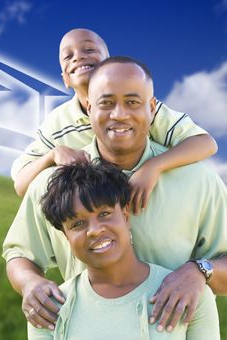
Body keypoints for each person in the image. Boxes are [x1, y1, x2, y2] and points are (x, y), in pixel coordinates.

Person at [3, 56, 227, 334]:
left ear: (152, 107)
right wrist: (29, 283)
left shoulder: (199, 181)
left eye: (132, 102)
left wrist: (200, 271)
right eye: (106, 103)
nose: (119, 114)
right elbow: (19, 253)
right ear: (88, 107)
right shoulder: (52, 183)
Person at [11, 29, 217, 217]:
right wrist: (52, 155)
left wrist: (153, 167)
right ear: (65, 78)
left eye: (89, 49)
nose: (79, 56)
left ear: (108, 64)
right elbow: (22, 185)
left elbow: (205, 143)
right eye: (68, 55)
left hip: (154, 207)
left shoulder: (140, 109)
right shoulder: (57, 123)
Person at [27, 162, 220, 340]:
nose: (94, 230)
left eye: (104, 213)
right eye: (77, 224)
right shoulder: (47, 307)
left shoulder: (190, 294)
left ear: (126, 216)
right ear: (65, 236)